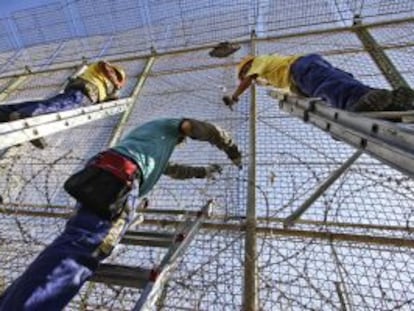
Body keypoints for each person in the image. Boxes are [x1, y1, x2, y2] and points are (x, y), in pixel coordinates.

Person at [0, 117, 242, 310]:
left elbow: (174, 170)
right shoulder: (169, 127)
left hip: (109, 171)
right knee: (88, 246)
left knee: (77, 239)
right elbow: (197, 127)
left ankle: (10, 302)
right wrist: (230, 147)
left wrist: (203, 172)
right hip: (121, 175)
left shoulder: (147, 143)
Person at [223, 53, 414, 113]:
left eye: (245, 72)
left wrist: (234, 96)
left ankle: (364, 101)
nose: (247, 76)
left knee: (330, 88)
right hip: (305, 69)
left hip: (300, 68)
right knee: (337, 83)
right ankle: (393, 101)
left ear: (249, 65)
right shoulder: (267, 73)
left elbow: (248, 80)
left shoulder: (259, 61)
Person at [0, 61, 126, 149]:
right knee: (64, 107)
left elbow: (104, 100)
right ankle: (26, 116)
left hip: (84, 91)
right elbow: (104, 65)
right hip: (85, 90)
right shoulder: (103, 70)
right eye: (117, 77)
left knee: (49, 104)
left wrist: (111, 97)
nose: (115, 81)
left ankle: (5, 112)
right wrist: (116, 84)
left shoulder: (104, 86)